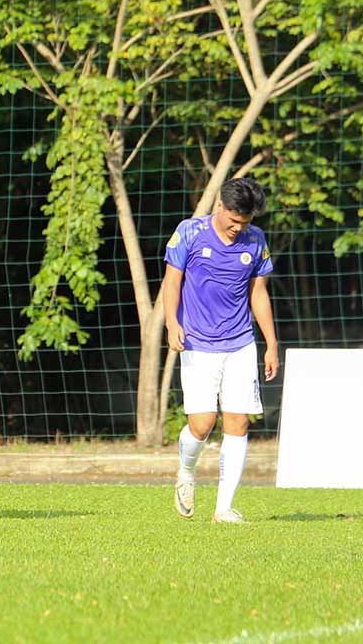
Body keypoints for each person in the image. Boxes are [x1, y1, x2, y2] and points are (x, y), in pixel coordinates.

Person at [163, 177, 279, 524]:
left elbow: (258, 293)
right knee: (202, 424)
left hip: (241, 342)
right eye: (233, 221)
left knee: (238, 422)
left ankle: (223, 508)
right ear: (219, 207)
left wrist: (271, 343)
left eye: (244, 223)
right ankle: (186, 471)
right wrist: (172, 322)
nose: (237, 228)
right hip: (198, 341)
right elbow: (173, 280)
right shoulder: (189, 232)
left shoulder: (256, 241)